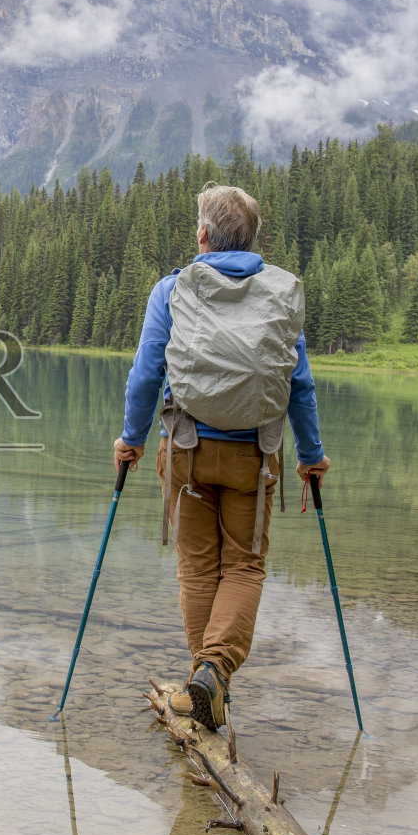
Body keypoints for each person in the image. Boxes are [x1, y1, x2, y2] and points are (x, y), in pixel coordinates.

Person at [112, 182, 330, 731]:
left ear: (204, 235)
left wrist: (131, 440)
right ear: (250, 237)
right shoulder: (279, 295)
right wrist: (312, 456)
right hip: (253, 461)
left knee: (198, 568)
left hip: (184, 451)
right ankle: (212, 679)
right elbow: (299, 385)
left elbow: (145, 375)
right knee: (244, 566)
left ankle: (205, 677)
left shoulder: (172, 289)